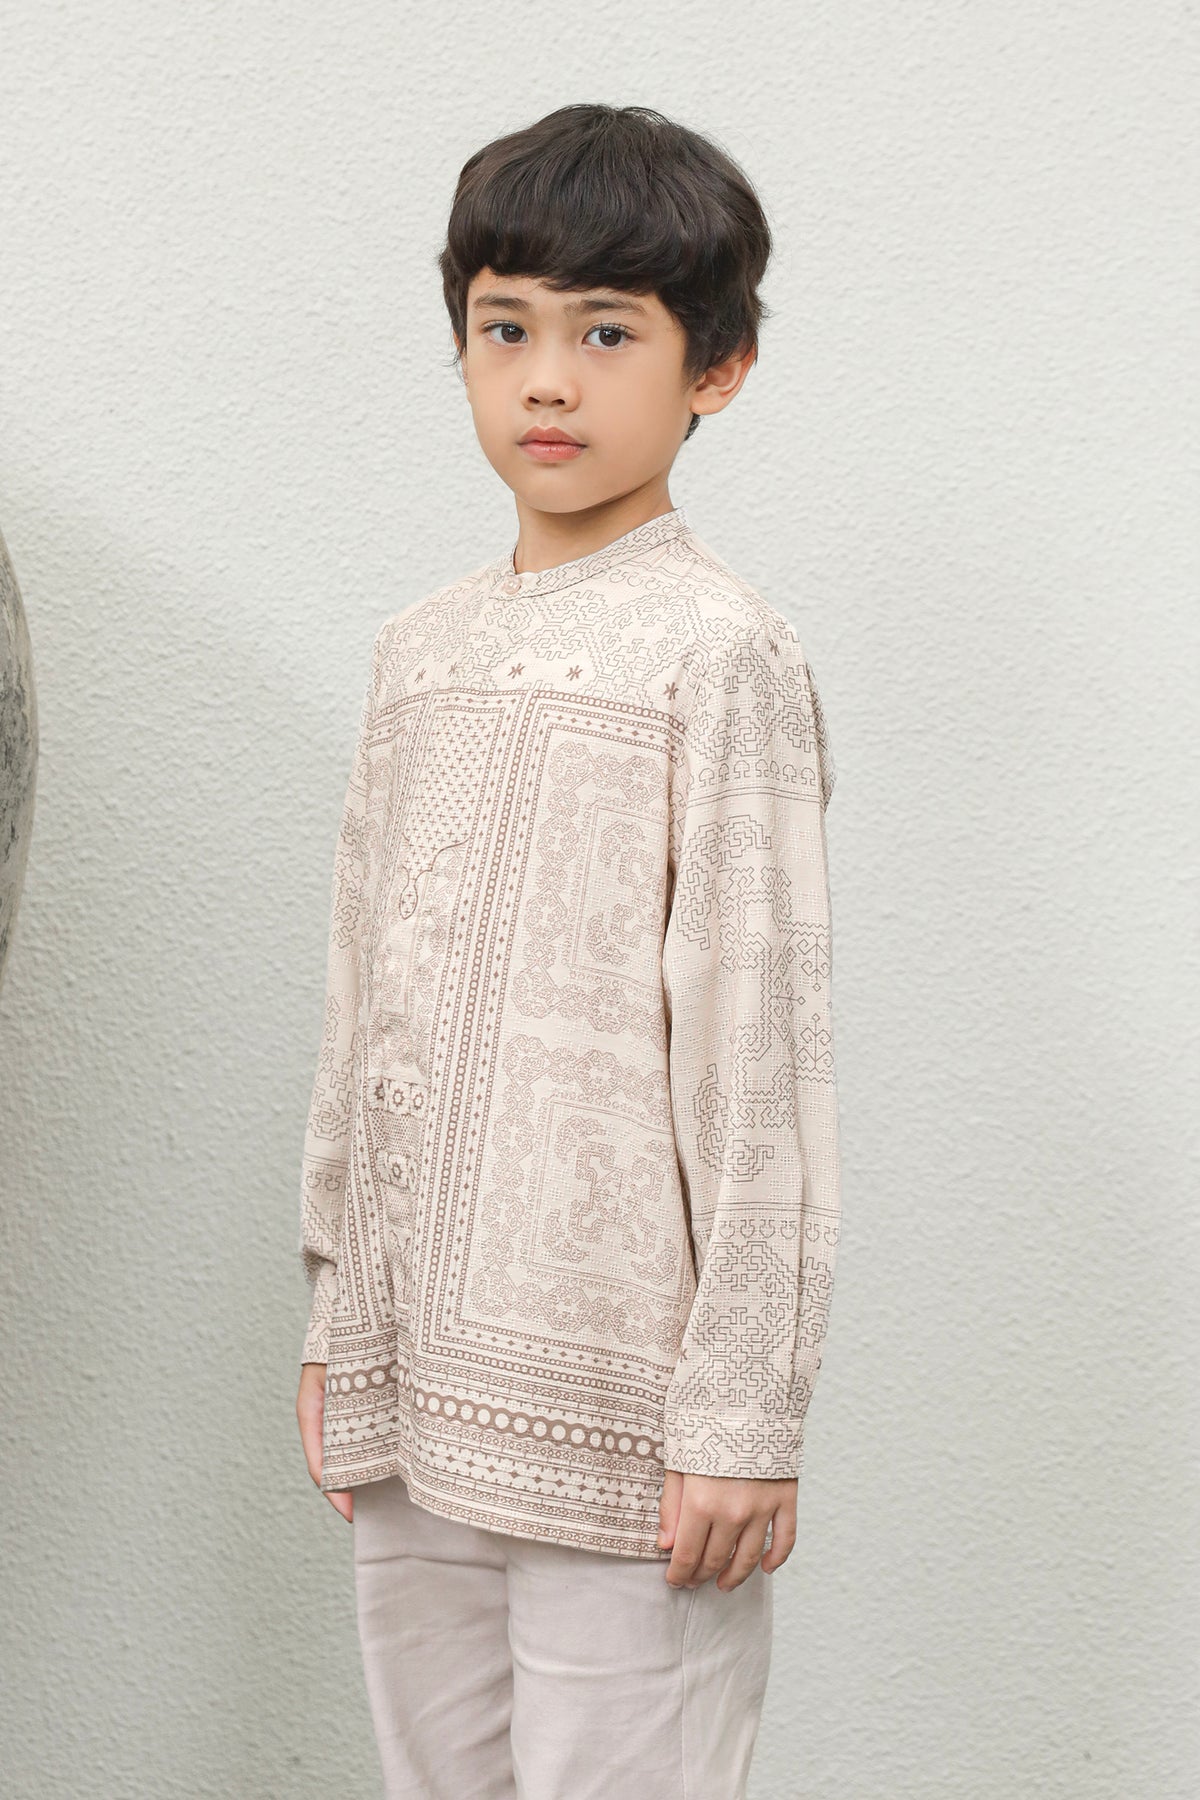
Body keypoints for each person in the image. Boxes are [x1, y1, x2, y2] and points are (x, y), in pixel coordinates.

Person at [295, 100, 842, 1800]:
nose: (548, 382)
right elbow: (361, 1004)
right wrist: (337, 1319)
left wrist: (742, 1411)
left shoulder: (721, 655)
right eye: (506, 328)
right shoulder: (418, 652)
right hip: (418, 1393)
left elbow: (759, 1051)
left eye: (609, 334)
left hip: (624, 1412)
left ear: (716, 367)